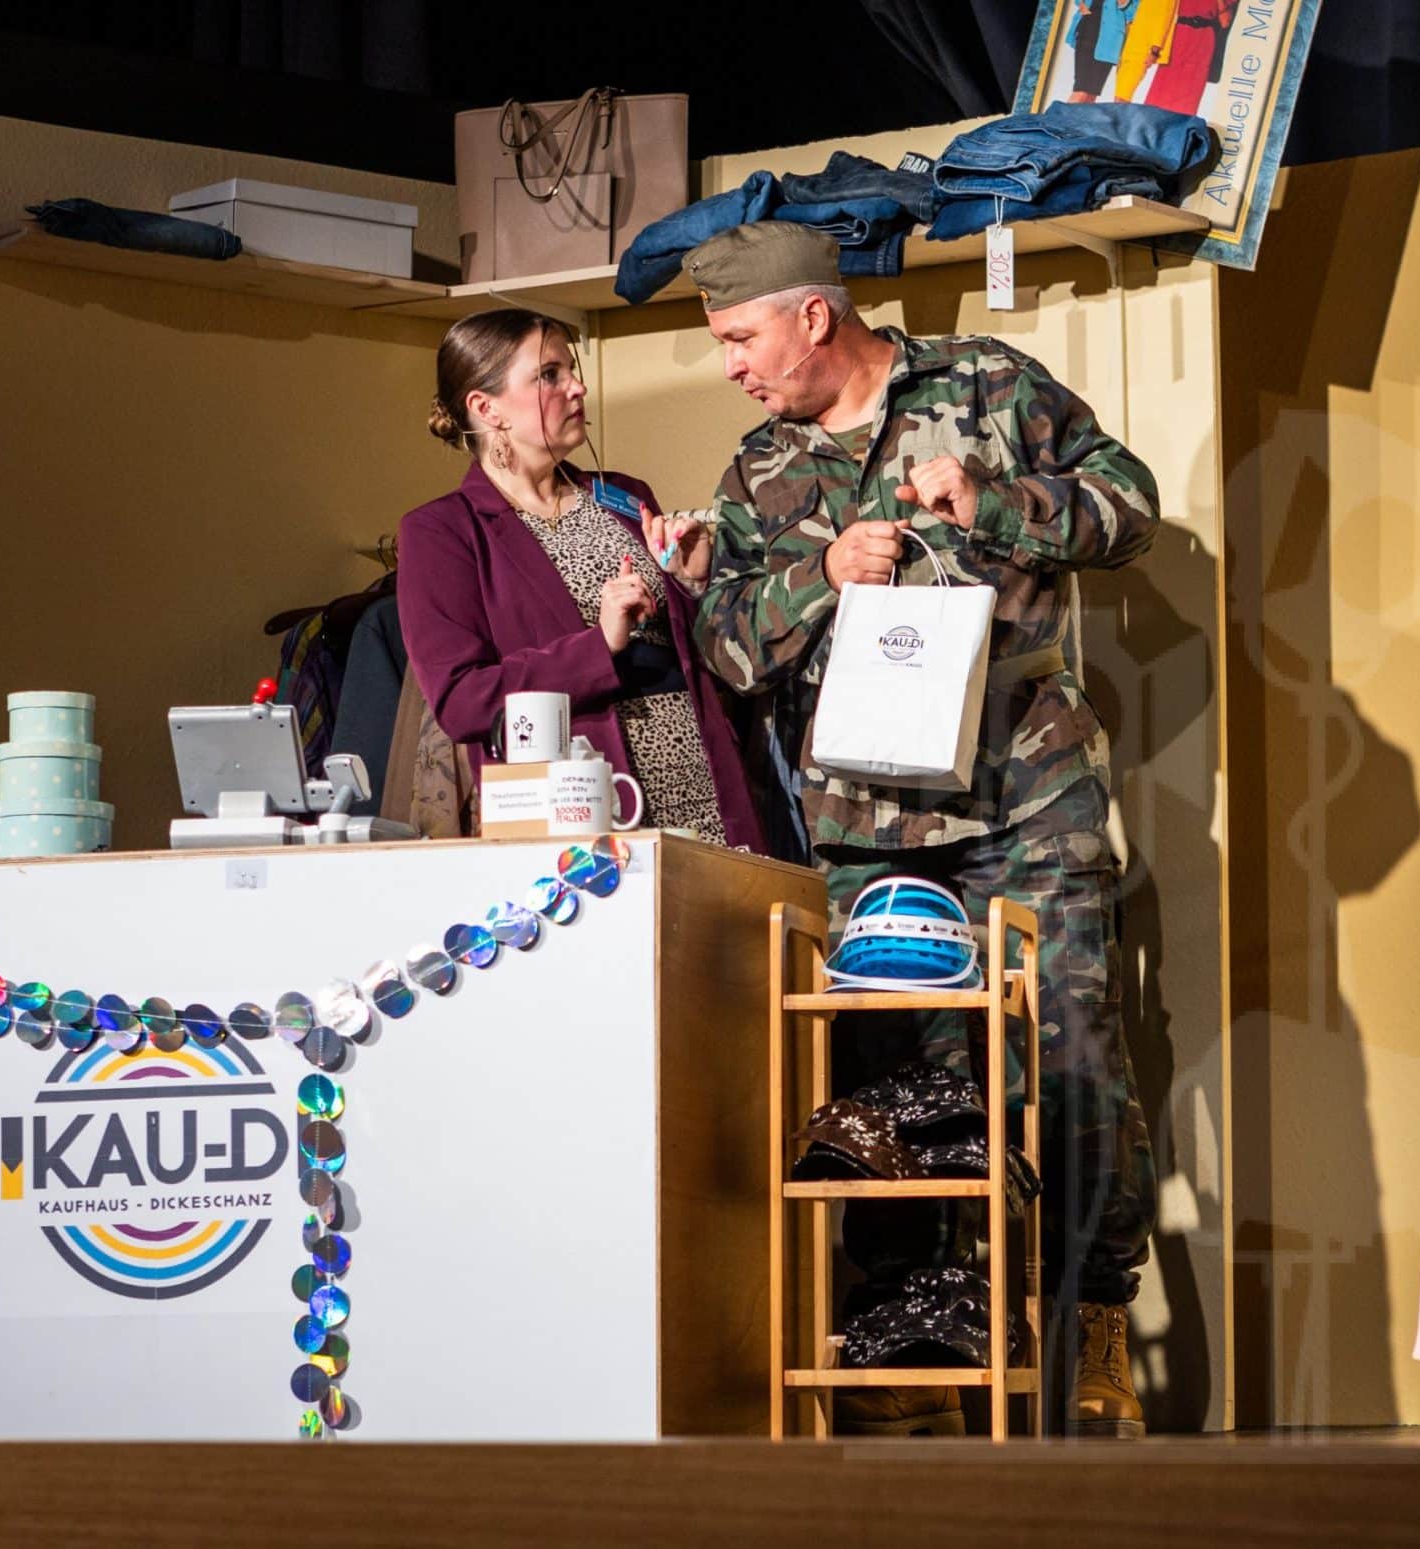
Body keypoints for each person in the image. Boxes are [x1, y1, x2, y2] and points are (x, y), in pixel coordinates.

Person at [684, 222, 1161, 1437]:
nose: (731, 365)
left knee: (1070, 1050)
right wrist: (817, 577)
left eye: (740, 337)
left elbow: (1130, 507)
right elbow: (724, 648)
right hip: (864, 817)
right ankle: (916, 1332)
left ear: (813, 316)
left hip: (1024, 790)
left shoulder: (987, 385)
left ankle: (1091, 1319)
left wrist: (995, 501)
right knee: (893, 1086)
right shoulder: (759, 468)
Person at [397, 308, 766, 852]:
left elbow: (693, 651)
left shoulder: (622, 495)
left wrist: (693, 584)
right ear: (486, 407)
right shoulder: (442, 532)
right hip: (576, 807)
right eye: (548, 375)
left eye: (571, 370)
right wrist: (600, 646)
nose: (577, 387)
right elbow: (462, 701)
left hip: (701, 787)